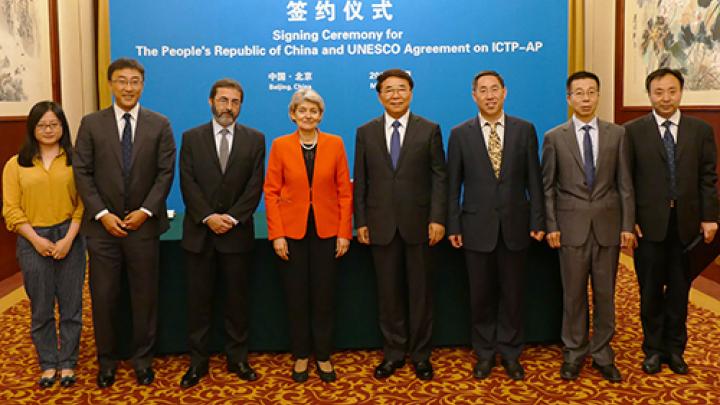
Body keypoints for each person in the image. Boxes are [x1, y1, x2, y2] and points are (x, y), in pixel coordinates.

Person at [73, 58, 176, 388]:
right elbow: (82, 172)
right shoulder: (91, 124)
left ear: (142, 85)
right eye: (122, 81)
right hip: (102, 230)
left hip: (143, 228)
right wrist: (102, 214)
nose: (128, 87)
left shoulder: (160, 124)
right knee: (103, 297)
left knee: (145, 296)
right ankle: (107, 361)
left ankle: (142, 360)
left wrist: (146, 210)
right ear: (110, 84)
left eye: (134, 81)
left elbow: (164, 173)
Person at [447, 71, 545, 381]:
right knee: (481, 296)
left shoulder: (524, 130)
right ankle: (485, 353)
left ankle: (512, 352)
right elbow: (453, 186)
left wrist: (538, 219)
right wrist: (453, 226)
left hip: (516, 226)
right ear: (473, 96)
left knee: (514, 294)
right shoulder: (460, 133)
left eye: (495, 89)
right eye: (483, 90)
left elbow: (534, 180)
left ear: (505, 93)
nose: (489, 95)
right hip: (476, 228)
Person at [353, 68, 447, 381]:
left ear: (411, 92)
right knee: (388, 293)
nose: (395, 95)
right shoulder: (365, 132)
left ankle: (421, 355)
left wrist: (437, 218)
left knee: (421, 293)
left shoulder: (430, 129)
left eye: (402, 89)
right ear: (380, 96)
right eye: (389, 90)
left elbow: (439, 177)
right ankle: (393, 354)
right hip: (380, 225)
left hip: (420, 225)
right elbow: (362, 181)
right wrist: (361, 220)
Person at [542, 71, 635, 382]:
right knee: (573, 295)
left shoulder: (617, 134)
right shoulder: (554, 137)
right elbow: (548, 187)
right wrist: (552, 225)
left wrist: (627, 225)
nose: (585, 98)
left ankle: (602, 353)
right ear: (569, 98)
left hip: (608, 227)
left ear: (598, 96)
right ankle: (573, 352)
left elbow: (625, 184)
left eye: (591, 92)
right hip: (570, 228)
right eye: (578, 93)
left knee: (606, 295)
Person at [625, 68, 718, 375]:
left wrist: (709, 217)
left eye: (671, 91)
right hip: (648, 226)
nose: (665, 98)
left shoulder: (700, 130)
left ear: (681, 92)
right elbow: (626, 181)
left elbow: (708, 178)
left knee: (680, 291)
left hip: (687, 226)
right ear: (649, 94)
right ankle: (652, 350)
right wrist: (630, 220)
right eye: (658, 92)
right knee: (649, 291)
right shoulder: (633, 131)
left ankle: (675, 350)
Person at [178, 78, 265, 388]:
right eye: (223, 100)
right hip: (200, 235)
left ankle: (238, 359)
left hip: (237, 235)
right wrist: (208, 217)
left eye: (235, 102)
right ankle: (198, 362)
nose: (229, 107)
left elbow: (254, 187)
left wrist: (230, 218)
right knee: (199, 303)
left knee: (237, 302)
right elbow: (187, 183)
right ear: (211, 101)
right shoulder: (191, 138)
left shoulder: (255, 140)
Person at [264, 88, 352, 383]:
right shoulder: (280, 145)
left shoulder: (335, 143)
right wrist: (277, 235)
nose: (308, 115)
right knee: (296, 297)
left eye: (314, 111)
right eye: (302, 110)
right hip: (292, 233)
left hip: (328, 232)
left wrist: (344, 233)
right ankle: (301, 354)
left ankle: (324, 356)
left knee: (324, 297)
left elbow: (344, 192)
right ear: (293, 115)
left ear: (321, 116)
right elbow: (271, 191)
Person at [2, 101, 86, 388]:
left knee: (71, 305)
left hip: (70, 236)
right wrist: (37, 240)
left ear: (63, 127)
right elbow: (11, 209)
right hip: (31, 238)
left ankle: (68, 363)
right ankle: (48, 362)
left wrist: (68, 239)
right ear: (32, 128)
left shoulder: (76, 160)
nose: (49, 130)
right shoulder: (16, 164)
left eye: (54, 124)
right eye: (42, 125)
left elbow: (83, 205)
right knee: (41, 306)